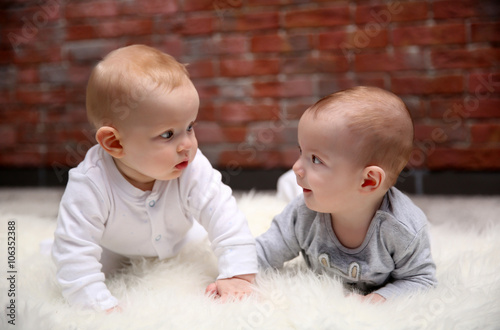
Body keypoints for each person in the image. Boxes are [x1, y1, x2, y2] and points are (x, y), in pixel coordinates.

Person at [52, 45, 257, 312]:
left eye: (190, 127)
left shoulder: (191, 167)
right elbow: (75, 252)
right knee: (68, 252)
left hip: (180, 242)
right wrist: (97, 306)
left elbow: (227, 219)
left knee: (202, 237)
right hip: (114, 250)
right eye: (168, 135)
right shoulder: (90, 184)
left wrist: (238, 274)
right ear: (114, 143)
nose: (187, 145)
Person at [257, 86, 437, 303]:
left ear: (368, 180)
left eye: (316, 159)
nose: (297, 166)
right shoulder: (302, 214)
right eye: (301, 152)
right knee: (289, 184)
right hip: (316, 193)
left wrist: (378, 298)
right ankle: (290, 182)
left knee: (293, 182)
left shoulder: (402, 229)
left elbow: (421, 280)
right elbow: (263, 253)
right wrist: (235, 276)